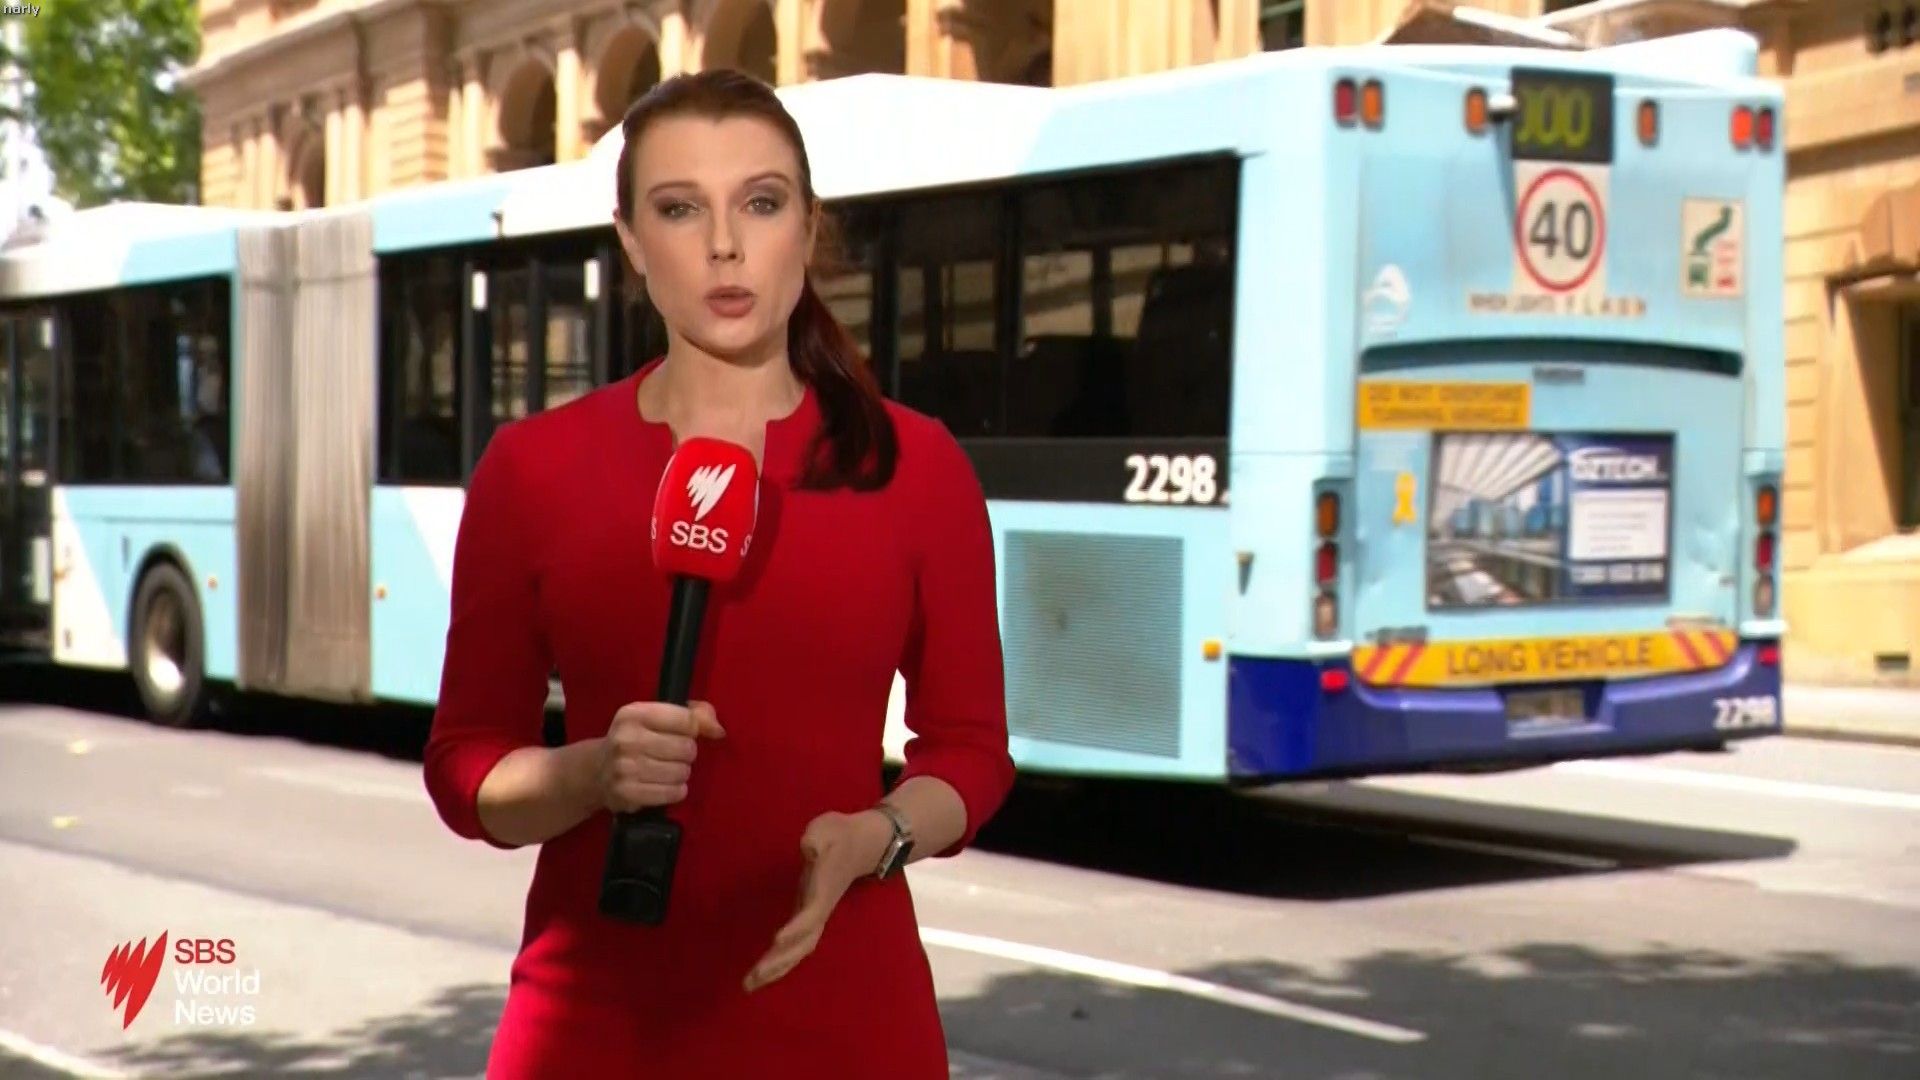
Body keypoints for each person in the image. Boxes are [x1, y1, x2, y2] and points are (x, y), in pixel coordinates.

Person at [421, 68, 1016, 1078]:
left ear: (808, 227)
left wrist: (879, 834)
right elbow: (466, 767)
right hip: (594, 1027)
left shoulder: (917, 468)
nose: (725, 245)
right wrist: (591, 773)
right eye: (680, 208)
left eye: (762, 203)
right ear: (630, 240)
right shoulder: (532, 470)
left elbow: (970, 753)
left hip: (846, 1019)